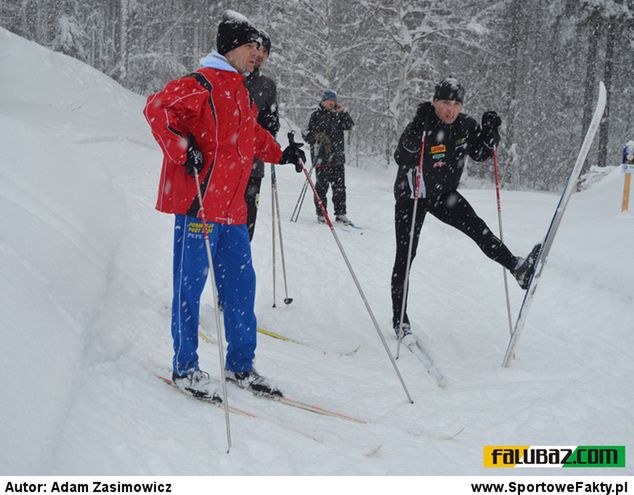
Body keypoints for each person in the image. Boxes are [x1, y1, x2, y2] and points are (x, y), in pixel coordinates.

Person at [143, 10, 305, 400]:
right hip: (200, 206)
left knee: (240, 289)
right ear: (232, 48)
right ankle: (185, 368)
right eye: (252, 47)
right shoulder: (199, 83)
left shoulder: (241, 90)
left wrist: (282, 154)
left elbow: (250, 137)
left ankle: (240, 366)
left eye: (260, 48)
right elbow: (156, 109)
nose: (258, 54)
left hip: (233, 211)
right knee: (189, 288)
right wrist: (184, 151)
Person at [391, 77, 540, 344]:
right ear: (435, 102)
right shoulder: (424, 122)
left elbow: (481, 153)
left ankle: (517, 268)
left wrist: (491, 133)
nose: (450, 109)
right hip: (412, 195)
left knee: (479, 229)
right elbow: (402, 155)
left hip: (442, 194)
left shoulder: (464, 125)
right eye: (445, 103)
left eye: (456, 104)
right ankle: (400, 321)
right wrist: (416, 126)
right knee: (406, 256)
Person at [243, 31, 279, 240]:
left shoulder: (267, 85)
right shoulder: (232, 77)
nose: (259, 54)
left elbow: (271, 124)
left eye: (264, 51)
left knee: (247, 227)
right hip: (227, 165)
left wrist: (272, 125)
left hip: (254, 166)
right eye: (256, 48)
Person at [303, 89, 355, 225]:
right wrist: (316, 137)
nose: (331, 103)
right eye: (329, 100)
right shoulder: (314, 114)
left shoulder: (338, 115)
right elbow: (304, 132)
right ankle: (321, 213)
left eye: (333, 101)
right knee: (321, 187)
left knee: (339, 188)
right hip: (321, 157)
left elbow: (349, 125)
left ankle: (341, 214)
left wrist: (343, 112)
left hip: (337, 157)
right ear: (323, 100)